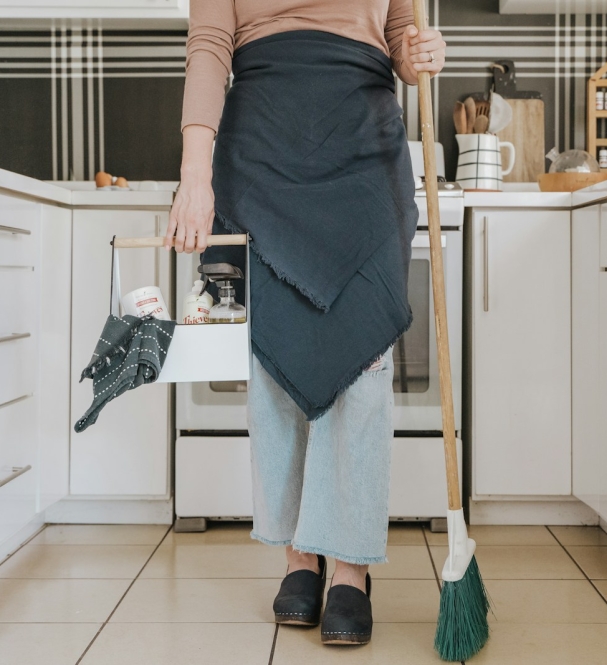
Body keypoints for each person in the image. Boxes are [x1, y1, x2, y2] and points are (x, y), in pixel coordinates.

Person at [167, 0, 446, 647]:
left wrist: (415, 54)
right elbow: (209, 44)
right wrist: (194, 174)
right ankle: (299, 552)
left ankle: (349, 563)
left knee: (362, 358)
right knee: (276, 354)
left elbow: (401, 34)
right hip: (262, 143)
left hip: (363, 146)